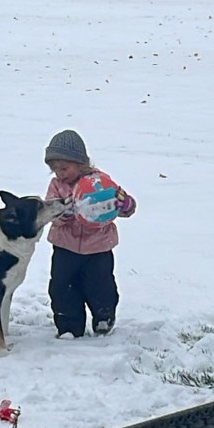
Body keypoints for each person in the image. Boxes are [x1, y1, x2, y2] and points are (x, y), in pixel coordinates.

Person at [44, 129, 136, 338]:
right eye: (55, 169)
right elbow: (51, 212)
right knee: (62, 287)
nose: (60, 173)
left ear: (80, 163)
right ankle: (69, 325)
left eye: (64, 168)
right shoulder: (57, 186)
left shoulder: (100, 182)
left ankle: (103, 316)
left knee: (100, 285)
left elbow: (121, 205)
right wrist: (66, 212)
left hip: (99, 248)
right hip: (65, 247)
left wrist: (125, 204)